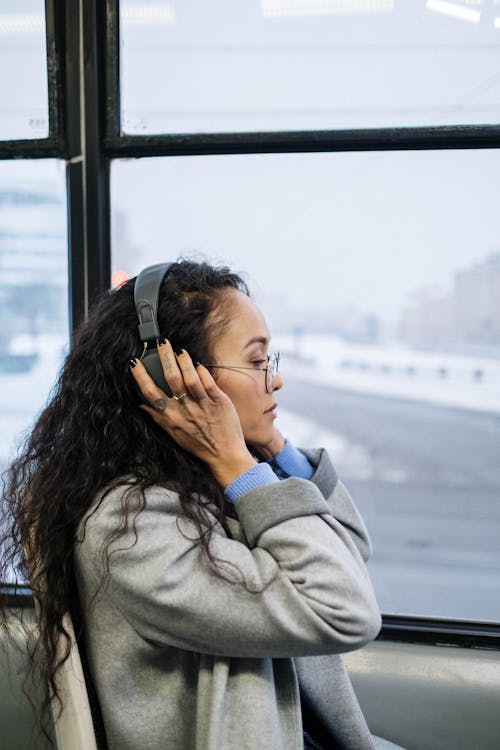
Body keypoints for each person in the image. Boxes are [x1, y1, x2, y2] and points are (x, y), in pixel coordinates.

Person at [0, 260, 403, 750]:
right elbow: (344, 606)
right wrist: (237, 460)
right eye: (257, 363)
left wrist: (272, 447)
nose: (274, 382)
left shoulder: (200, 486)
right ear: (176, 380)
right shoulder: (132, 528)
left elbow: (348, 551)